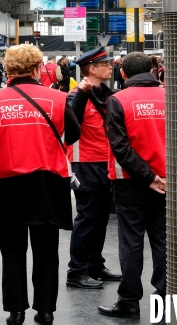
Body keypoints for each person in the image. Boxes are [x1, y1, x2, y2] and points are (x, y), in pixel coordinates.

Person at [0, 44, 80, 325]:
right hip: (47, 181)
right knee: (47, 249)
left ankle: (16, 311)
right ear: (38, 68)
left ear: (8, 70)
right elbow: (73, 133)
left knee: (12, 250)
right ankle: (46, 309)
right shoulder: (58, 99)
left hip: (3, 182)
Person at [98, 52, 166, 319]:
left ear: (123, 74)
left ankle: (129, 301)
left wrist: (147, 178)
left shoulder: (117, 101)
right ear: (152, 70)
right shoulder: (172, 97)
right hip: (168, 183)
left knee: (131, 244)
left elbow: (121, 148)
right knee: (163, 243)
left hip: (130, 183)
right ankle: (163, 299)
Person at [66, 45, 122, 289]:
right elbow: (70, 125)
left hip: (105, 162)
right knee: (87, 218)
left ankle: (95, 265)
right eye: (105, 64)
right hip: (85, 163)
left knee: (100, 218)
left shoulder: (107, 94)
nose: (110, 67)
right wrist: (80, 94)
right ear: (91, 69)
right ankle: (76, 271)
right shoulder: (76, 96)